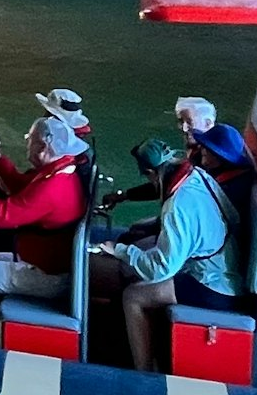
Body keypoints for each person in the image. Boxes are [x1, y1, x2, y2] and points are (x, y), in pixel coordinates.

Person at [94, 138, 244, 372]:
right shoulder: (196, 175)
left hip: (214, 285)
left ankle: (143, 371)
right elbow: (232, 217)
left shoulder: (177, 207)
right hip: (224, 265)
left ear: (151, 173)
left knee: (134, 296)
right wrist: (123, 196)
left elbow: (161, 268)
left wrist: (120, 250)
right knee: (139, 261)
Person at [0, 116, 89, 343]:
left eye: (30, 139)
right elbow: (24, 188)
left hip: (47, 276)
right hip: (48, 261)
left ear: (43, 147)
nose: (26, 142)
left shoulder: (51, 188)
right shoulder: (62, 170)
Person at [189, 123, 255, 230]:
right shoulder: (219, 173)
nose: (202, 149)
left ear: (219, 157)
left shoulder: (231, 188)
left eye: (207, 149)